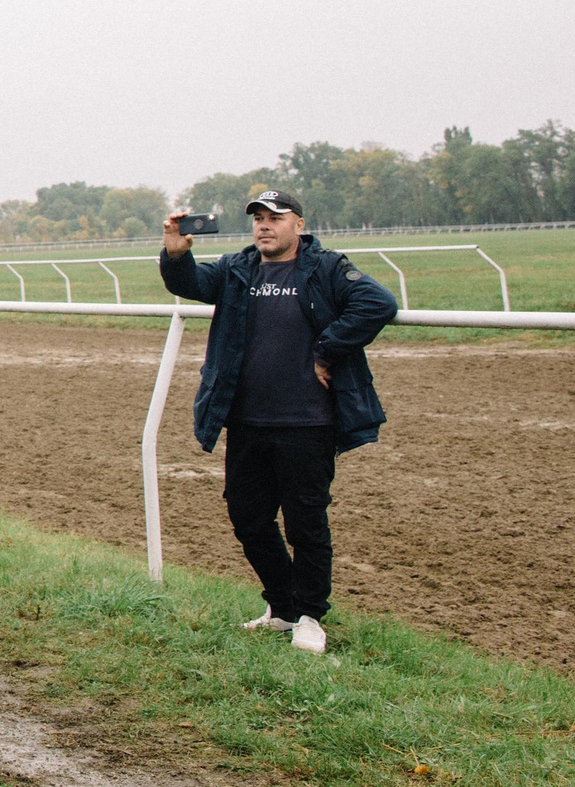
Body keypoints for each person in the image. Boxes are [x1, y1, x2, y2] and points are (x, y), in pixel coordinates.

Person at [161, 191, 398, 656]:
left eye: (275, 218)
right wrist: (174, 254)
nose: (264, 226)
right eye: (259, 219)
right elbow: (190, 284)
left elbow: (378, 303)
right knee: (247, 518)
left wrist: (328, 348)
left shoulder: (326, 267)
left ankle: (310, 616)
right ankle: (284, 605)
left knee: (306, 523)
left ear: (299, 224)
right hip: (246, 420)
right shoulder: (236, 269)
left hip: (308, 423)